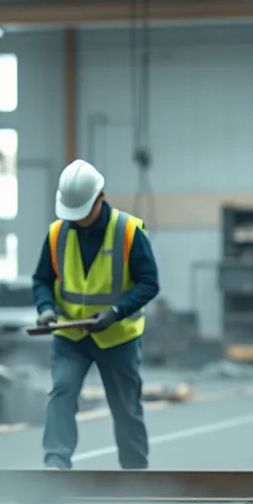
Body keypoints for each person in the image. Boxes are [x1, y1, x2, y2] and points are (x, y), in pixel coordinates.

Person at [32, 160, 160, 471]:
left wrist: (116, 312)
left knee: (125, 407)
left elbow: (149, 283)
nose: (76, 220)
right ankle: (56, 462)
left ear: (100, 198)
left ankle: (135, 473)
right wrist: (46, 308)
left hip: (118, 337)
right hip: (70, 335)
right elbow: (42, 280)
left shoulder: (129, 232)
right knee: (62, 390)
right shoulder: (57, 233)